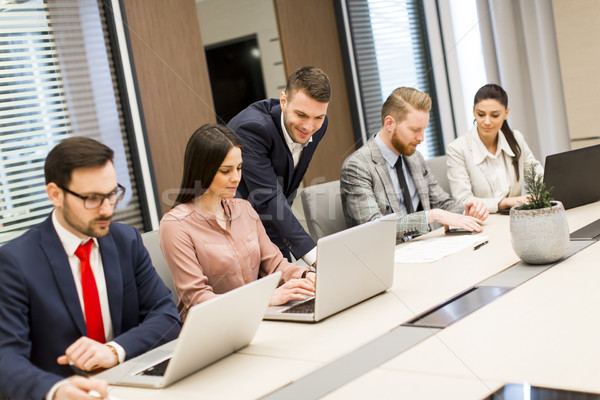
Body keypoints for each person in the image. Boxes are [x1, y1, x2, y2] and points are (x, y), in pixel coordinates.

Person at [0, 137, 181, 400]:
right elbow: (5, 357)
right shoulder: (15, 262)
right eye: (92, 198)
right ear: (55, 194)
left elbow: (166, 316)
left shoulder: (126, 241)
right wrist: (56, 390)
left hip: (127, 385)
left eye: (112, 194)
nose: (107, 209)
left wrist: (114, 350)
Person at [159, 124, 316, 321]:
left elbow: (275, 265)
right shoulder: (175, 225)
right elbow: (197, 299)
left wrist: (306, 277)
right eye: (226, 171)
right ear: (202, 170)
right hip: (211, 328)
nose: (236, 178)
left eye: (239, 168)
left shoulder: (244, 209)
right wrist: (264, 299)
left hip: (256, 318)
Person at [340, 87, 489, 243]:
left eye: (424, 129)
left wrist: (467, 210)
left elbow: (441, 203)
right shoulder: (357, 166)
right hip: (388, 258)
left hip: (425, 248)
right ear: (389, 123)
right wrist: (433, 215)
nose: (421, 138)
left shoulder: (415, 157)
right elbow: (375, 227)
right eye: (415, 130)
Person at [227, 66, 330, 265]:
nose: (309, 127)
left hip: (274, 223)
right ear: (283, 101)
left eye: (318, 117)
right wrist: (316, 257)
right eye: (301, 114)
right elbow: (269, 197)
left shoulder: (319, 126)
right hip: (233, 234)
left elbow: (288, 183)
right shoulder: (251, 129)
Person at [446, 83, 543, 213]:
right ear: (474, 111)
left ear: (506, 113)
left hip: (516, 218)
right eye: (481, 114)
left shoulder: (516, 138)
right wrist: (503, 203)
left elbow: (536, 174)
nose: (487, 121)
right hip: (484, 222)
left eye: (495, 115)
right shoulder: (457, 149)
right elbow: (463, 201)